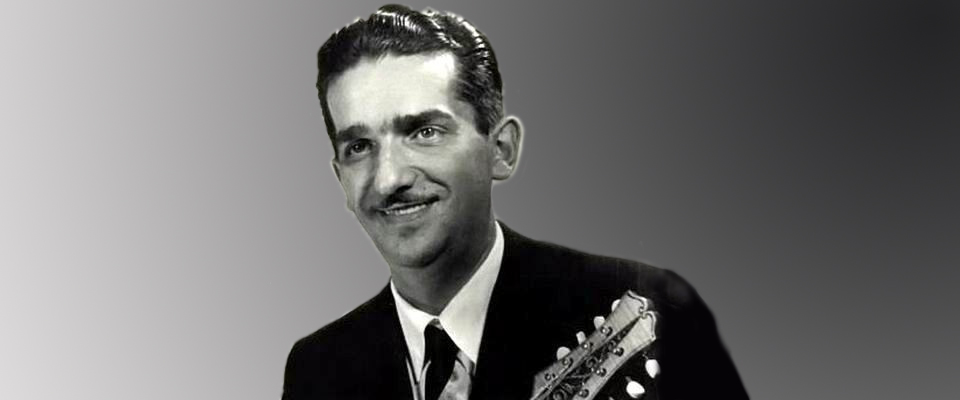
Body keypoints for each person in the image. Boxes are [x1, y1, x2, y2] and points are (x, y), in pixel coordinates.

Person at [282, 5, 748, 400]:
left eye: (425, 132)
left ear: (501, 150)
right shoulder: (317, 369)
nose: (389, 179)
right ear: (340, 179)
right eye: (359, 147)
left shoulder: (653, 310)